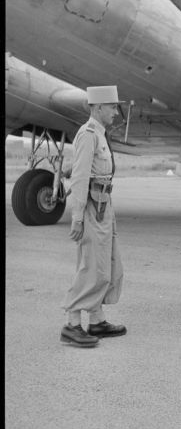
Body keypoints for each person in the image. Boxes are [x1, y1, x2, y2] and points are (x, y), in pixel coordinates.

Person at [61, 86, 126, 347]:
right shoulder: (88, 135)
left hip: (104, 204)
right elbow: (79, 178)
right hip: (92, 208)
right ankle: (72, 323)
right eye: (112, 107)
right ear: (98, 107)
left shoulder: (99, 134)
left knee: (108, 264)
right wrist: (77, 217)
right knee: (92, 266)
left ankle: (96, 319)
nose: (115, 112)